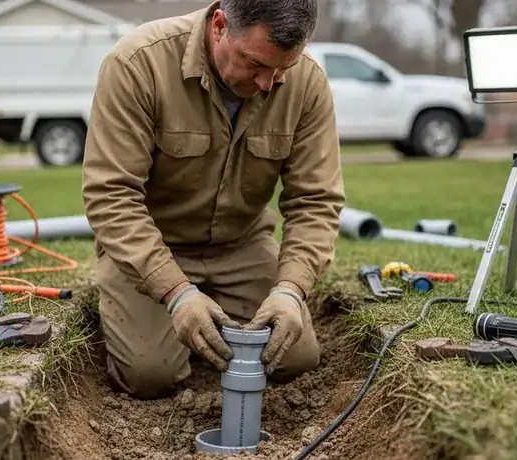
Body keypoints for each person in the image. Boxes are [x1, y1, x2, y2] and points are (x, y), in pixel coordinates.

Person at [81, 0, 344, 400]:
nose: (267, 84)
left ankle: (211, 323)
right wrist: (176, 293)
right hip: (153, 245)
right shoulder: (138, 64)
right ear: (220, 25)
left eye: (281, 69)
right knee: (151, 375)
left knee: (295, 358)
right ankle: (163, 323)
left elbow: (316, 201)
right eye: (254, 64)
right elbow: (110, 194)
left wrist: (290, 289)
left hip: (242, 244)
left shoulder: (307, 82)